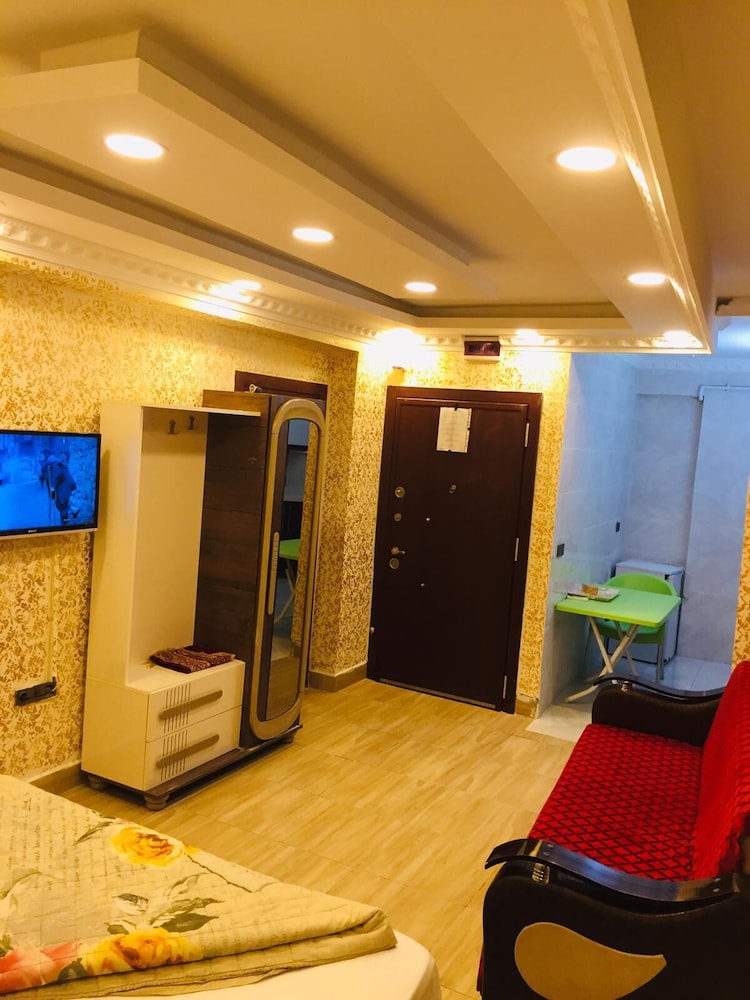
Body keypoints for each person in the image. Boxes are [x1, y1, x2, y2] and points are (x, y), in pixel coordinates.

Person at [40, 453, 78, 523]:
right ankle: (73, 510)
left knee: (61, 504)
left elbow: (55, 476)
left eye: (42, 458)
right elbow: (49, 477)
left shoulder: (54, 465)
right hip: (66, 485)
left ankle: (65, 522)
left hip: (64, 486)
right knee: (63, 502)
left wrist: (52, 488)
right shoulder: (55, 463)